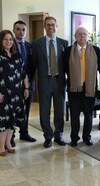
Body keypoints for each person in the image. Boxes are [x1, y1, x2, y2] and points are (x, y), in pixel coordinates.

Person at [32, 16, 68, 148]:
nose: (51, 27)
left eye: (53, 25)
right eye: (48, 25)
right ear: (44, 27)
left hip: (59, 81)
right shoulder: (37, 43)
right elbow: (34, 64)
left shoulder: (64, 43)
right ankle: (48, 136)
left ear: (56, 26)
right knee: (44, 110)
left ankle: (58, 135)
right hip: (44, 81)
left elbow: (66, 64)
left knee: (59, 110)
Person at [63, 27, 99, 147]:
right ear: (75, 36)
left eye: (84, 34)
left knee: (88, 115)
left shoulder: (95, 50)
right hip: (74, 88)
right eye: (79, 34)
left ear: (88, 36)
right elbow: (65, 69)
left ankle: (87, 137)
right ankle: (74, 138)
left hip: (89, 88)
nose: (82, 36)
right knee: (74, 115)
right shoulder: (68, 51)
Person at [0, 30, 29, 156]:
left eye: (10, 39)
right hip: (3, 93)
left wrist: (26, 88)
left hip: (17, 92)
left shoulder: (17, 56)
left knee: (13, 119)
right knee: (4, 119)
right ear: (1, 41)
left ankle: (8, 143)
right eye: (5, 39)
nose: (8, 42)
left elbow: (23, 74)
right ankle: (1, 146)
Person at [10, 20, 36, 147]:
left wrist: (29, 81)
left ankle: (24, 133)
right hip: (13, 84)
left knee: (26, 109)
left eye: (23, 29)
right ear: (14, 30)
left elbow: (32, 66)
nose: (21, 32)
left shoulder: (29, 46)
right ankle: (11, 136)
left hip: (29, 83)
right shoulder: (9, 44)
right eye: (18, 29)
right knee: (13, 110)